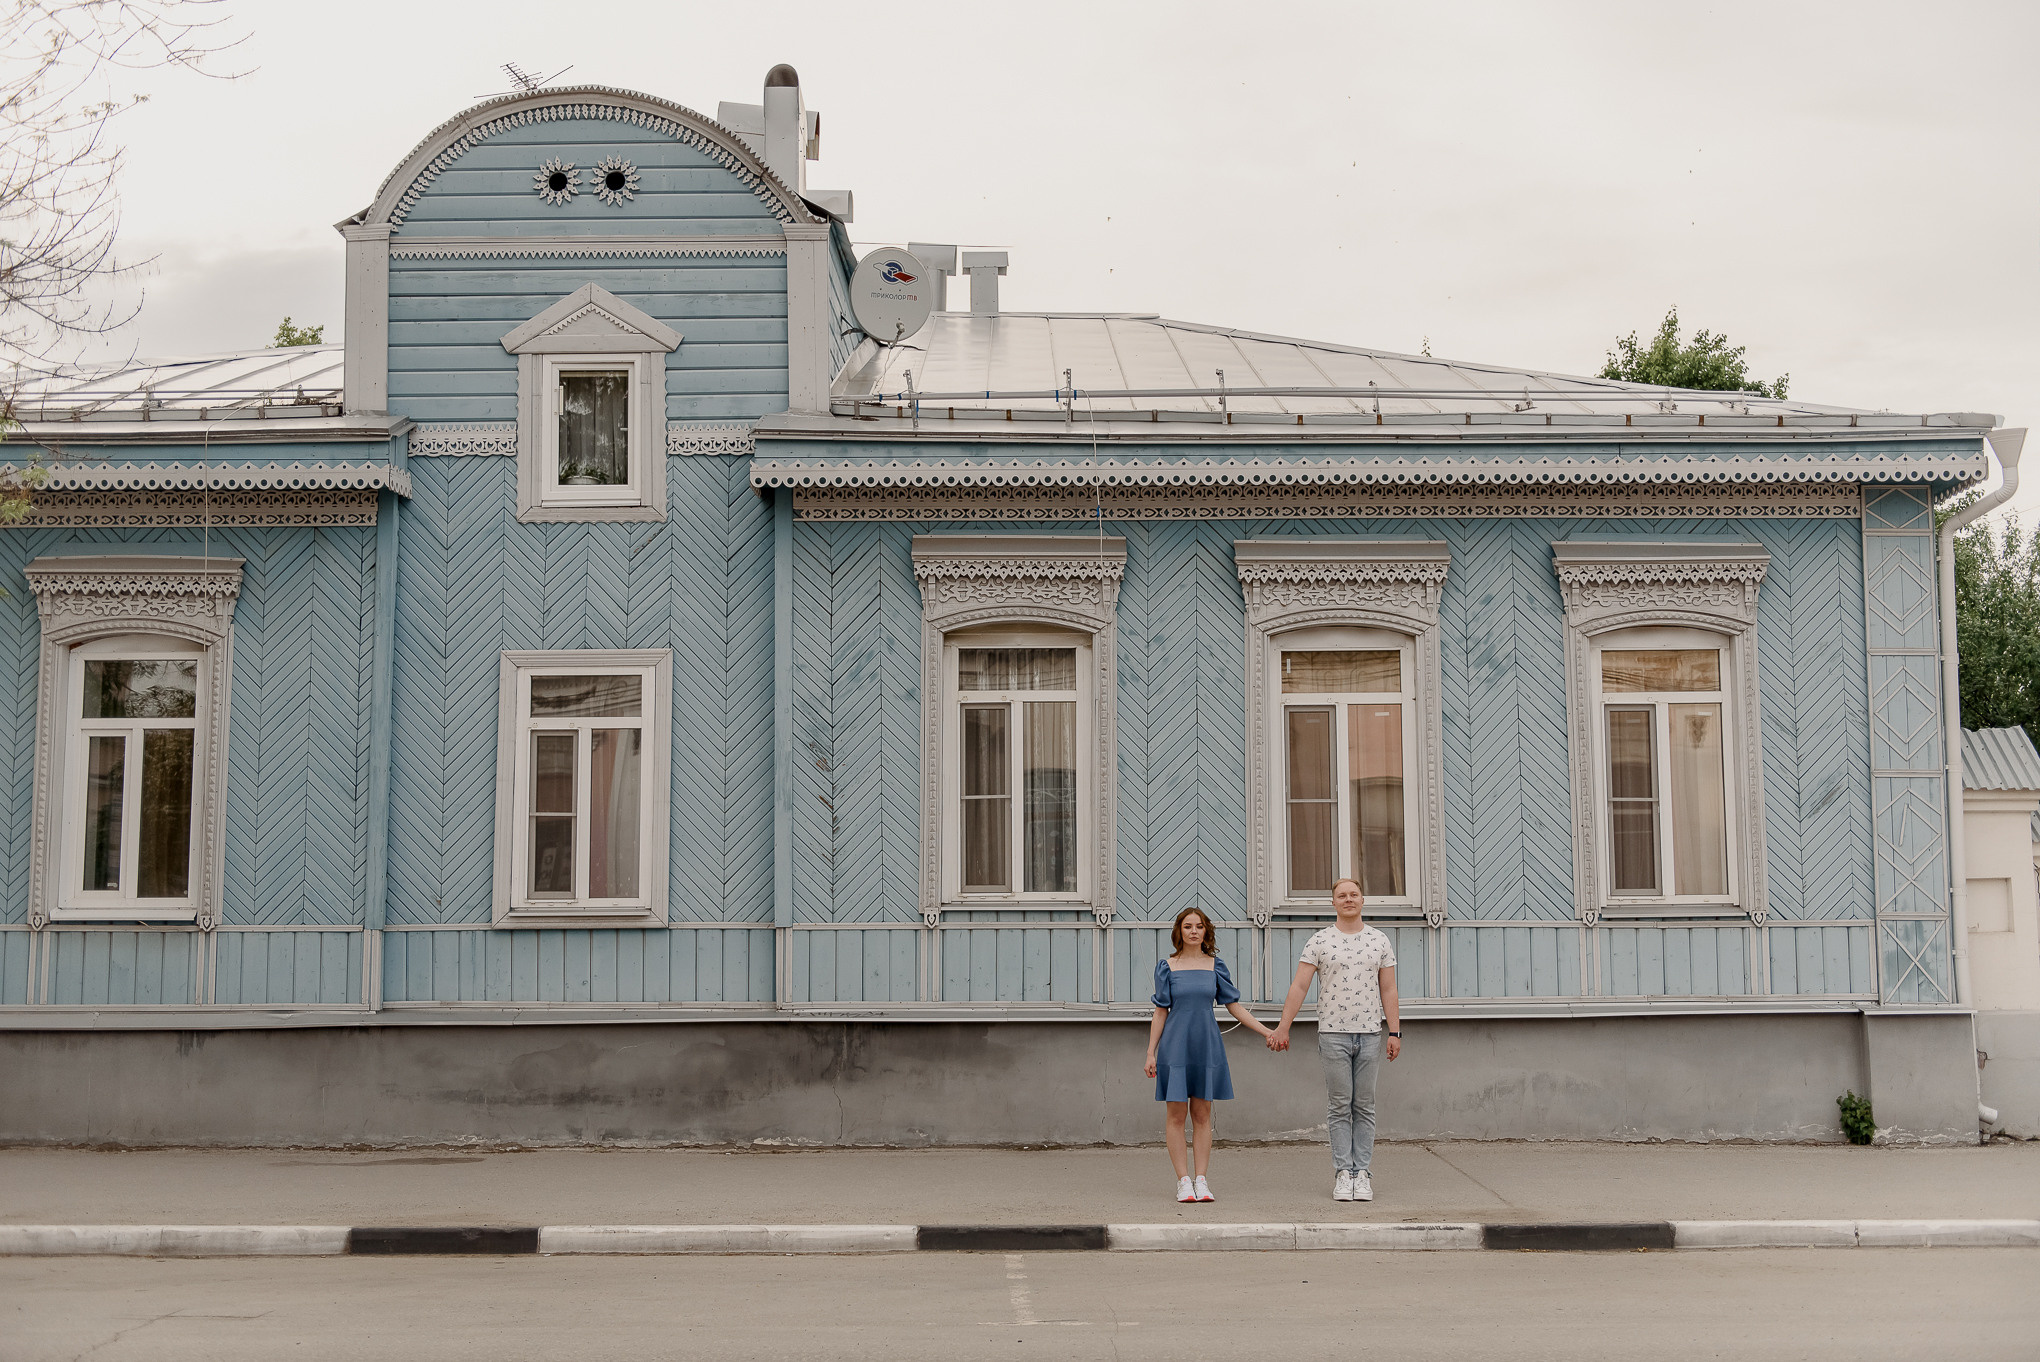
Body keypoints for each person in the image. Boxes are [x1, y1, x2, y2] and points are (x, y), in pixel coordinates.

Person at [1271, 877, 1401, 1202]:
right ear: (1333, 902)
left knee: (1365, 1105)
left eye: (1353, 894)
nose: (1348, 899)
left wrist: (1395, 1032)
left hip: (1370, 1034)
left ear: (1362, 900)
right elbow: (1299, 986)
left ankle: (1363, 1174)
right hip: (1332, 1034)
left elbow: (1389, 989)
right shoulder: (1319, 941)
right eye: (1341, 895)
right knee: (1340, 1105)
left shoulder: (1379, 940)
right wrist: (1283, 1027)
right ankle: (1344, 1172)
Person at [1145, 906, 1282, 1203]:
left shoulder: (1215, 966)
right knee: (1176, 1114)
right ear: (1179, 932)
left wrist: (1267, 1031)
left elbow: (1235, 1007)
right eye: (1187, 926)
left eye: (1199, 926)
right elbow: (1160, 1012)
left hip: (1206, 1045)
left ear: (1206, 931)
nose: (1193, 931)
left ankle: (1202, 1180)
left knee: (1203, 1114)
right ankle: (1183, 1181)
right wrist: (1150, 1052)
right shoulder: (1166, 966)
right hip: (1174, 1046)